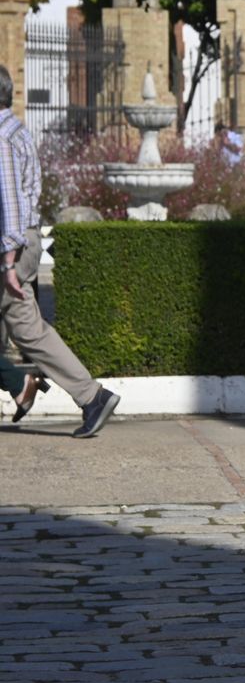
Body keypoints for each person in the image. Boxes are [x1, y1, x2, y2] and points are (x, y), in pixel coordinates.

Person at [0, 65, 119, 438]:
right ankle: (65, 393)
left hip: (10, 249)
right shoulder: (16, 129)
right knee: (27, 329)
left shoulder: (1, 136)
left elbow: (12, 203)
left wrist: (8, 261)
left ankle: (86, 395)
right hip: (24, 243)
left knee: (30, 330)